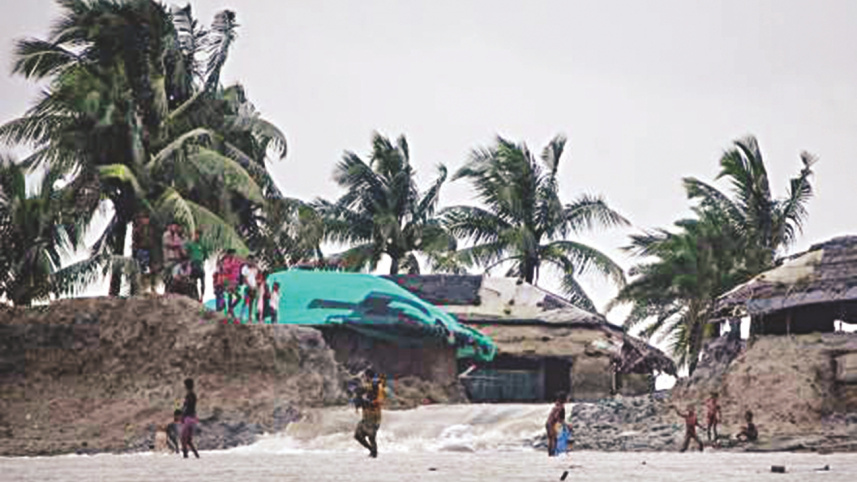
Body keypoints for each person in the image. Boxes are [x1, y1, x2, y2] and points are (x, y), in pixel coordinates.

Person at [354, 369, 385, 458]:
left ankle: (374, 453)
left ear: (368, 376)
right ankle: (372, 450)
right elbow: (361, 395)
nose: (364, 378)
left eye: (365, 376)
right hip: (366, 415)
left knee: (371, 437)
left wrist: (367, 402)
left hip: (374, 416)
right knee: (357, 435)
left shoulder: (378, 386)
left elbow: (379, 400)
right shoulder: (366, 387)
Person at [184, 230, 209, 302]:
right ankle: (192, 296)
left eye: (199, 235)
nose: (197, 236)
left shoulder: (203, 245)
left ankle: (202, 297)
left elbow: (205, 256)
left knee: (203, 282)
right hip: (193, 264)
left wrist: (201, 261)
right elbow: (186, 254)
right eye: (196, 235)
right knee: (192, 281)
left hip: (200, 264)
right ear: (194, 235)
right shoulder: (190, 244)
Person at [180, 378, 200, 459]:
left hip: (188, 418)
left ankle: (185, 456)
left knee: (183, 439)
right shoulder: (192, 394)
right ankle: (196, 456)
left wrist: (182, 415)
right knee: (188, 440)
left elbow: (188, 407)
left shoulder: (190, 395)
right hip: (192, 417)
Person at [545, 392, 568, 456]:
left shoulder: (556, 405)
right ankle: (553, 454)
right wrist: (565, 424)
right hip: (551, 424)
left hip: (548, 423)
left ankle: (550, 454)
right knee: (554, 439)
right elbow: (556, 416)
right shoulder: (561, 407)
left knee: (551, 439)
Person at [241, 256, 260, 320]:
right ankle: (241, 315)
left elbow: (257, 277)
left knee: (251, 302)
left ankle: (250, 316)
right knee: (245, 301)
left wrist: (255, 287)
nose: (249, 262)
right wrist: (249, 286)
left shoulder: (255, 269)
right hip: (247, 287)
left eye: (251, 260)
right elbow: (244, 279)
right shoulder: (244, 268)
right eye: (248, 260)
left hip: (254, 287)